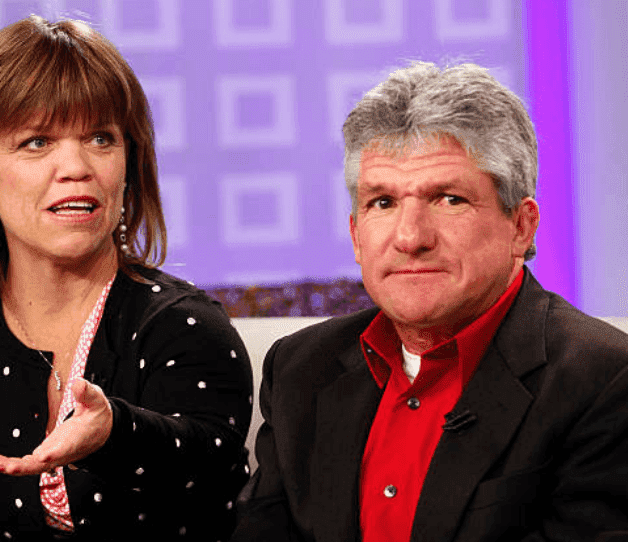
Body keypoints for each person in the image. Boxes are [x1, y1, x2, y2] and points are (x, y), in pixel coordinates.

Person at [0, 16, 253, 541]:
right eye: (36, 142)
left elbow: (209, 469)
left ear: (130, 163)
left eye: (101, 137)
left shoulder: (185, 327)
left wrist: (116, 433)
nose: (76, 166)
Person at [231, 62, 628, 542]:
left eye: (449, 198)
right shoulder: (299, 369)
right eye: (383, 202)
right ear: (356, 235)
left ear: (521, 227)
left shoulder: (603, 381)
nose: (409, 237)